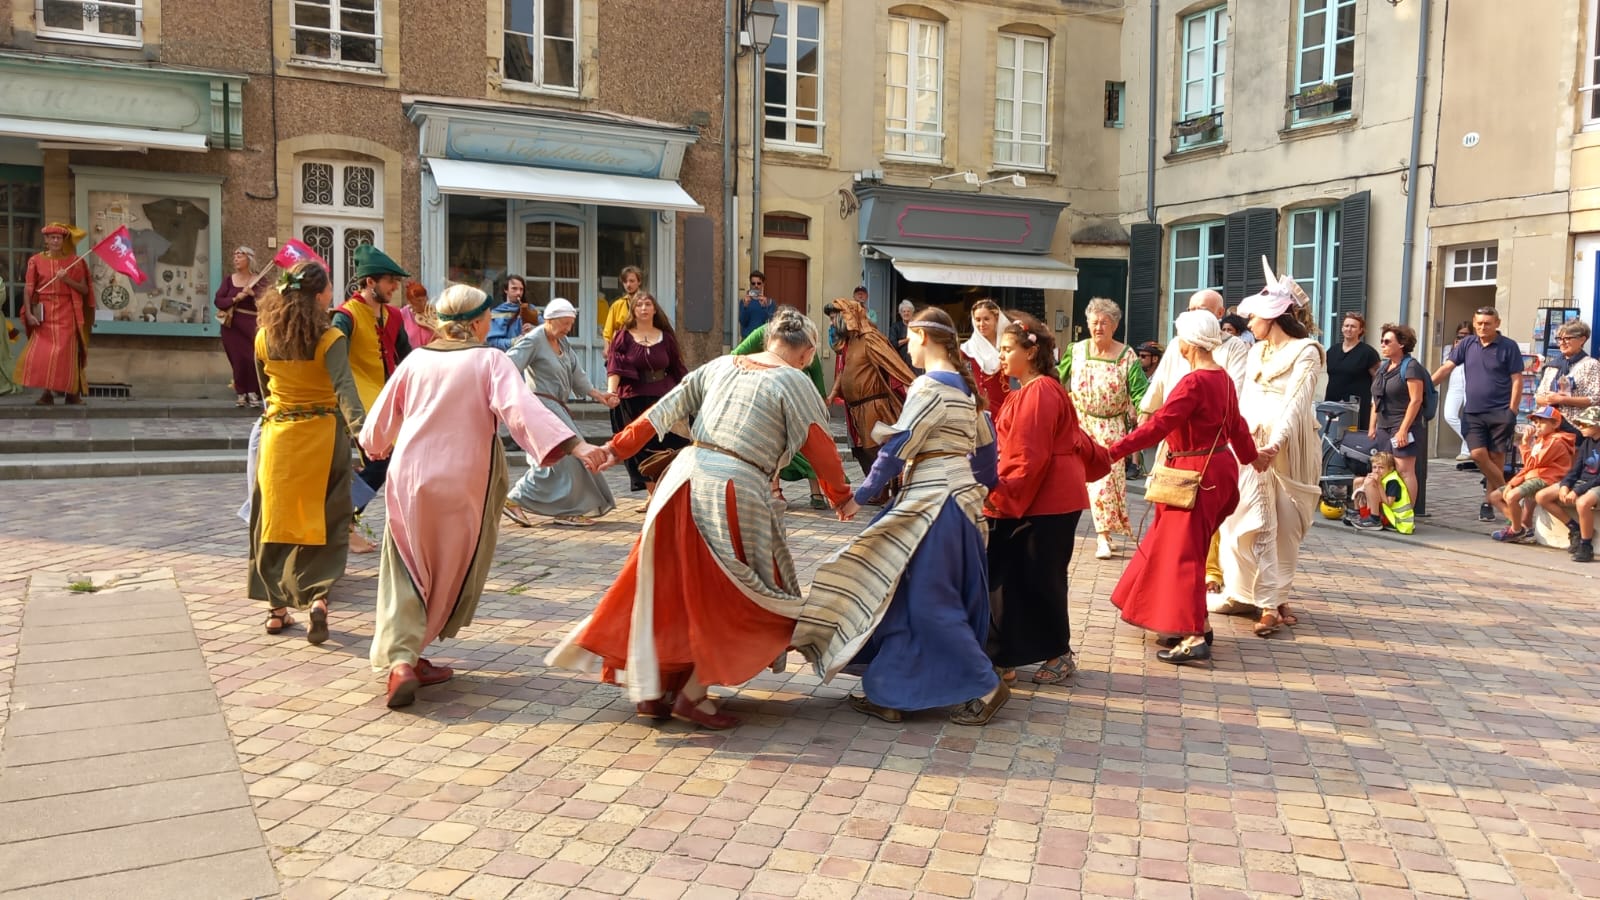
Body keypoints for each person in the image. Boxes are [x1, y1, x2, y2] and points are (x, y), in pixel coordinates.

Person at [546, 307, 852, 729]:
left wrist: (615, 449)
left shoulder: (721, 364)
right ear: (808, 353)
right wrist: (842, 498)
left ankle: (652, 690)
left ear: (768, 340)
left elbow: (660, 412)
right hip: (734, 487)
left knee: (667, 584)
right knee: (729, 591)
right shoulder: (795, 381)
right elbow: (821, 447)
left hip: (680, 480)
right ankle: (692, 693)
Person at [360, 284, 605, 708]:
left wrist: (376, 445)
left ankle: (403, 658)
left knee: (406, 565)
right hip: (464, 477)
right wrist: (576, 447)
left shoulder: (417, 359)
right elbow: (523, 411)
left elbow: (378, 428)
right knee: (450, 565)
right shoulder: (489, 359)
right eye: (488, 317)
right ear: (476, 322)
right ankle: (411, 652)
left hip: (411, 475)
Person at [796, 308, 1004, 726]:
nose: (905, 344)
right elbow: (987, 463)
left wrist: (862, 495)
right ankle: (893, 692)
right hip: (959, 506)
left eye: (909, 336)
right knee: (903, 597)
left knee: (928, 601)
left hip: (932, 506)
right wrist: (969, 488)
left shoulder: (928, 386)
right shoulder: (967, 391)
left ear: (923, 336)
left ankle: (986, 685)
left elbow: (896, 447)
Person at [1103, 311, 1261, 665]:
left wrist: (1113, 451)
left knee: (1185, 556)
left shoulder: (1193, 382)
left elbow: (1159, 424)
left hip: (1193, 474)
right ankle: (1194, 624)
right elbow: (1237, 426)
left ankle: (1192, 634)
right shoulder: (1222, 379)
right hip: (1218, 470)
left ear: (1188, 344)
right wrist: (1252, 458)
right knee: (1186, 549)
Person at [985, 312, 1108, 685]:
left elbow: (1027, 457)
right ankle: (1008, 655)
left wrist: (1000, 499)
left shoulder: (1038, 392)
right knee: (1021, 576)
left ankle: (1055, 652)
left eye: (1007, 349)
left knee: (1036, 577)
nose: (1001, 356)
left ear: (1031, 352)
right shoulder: (1039, 389)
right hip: (1045, 498)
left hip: (1044, 500)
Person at [247, 261, 365, 644]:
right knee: (327, 521)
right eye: (329, 288)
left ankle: (276, 611)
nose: (333, 293)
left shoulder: (263, 336)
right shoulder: (330, 338)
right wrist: (364, 436)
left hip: (279, 436)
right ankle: (317, 599)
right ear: (318, 296)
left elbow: (265, 392)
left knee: (272, 519)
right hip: (323, 436)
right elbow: (346, 390)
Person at [1214, 263, 1324, 637]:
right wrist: (1235, 437)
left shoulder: (1307, 350)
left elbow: (1296, 401)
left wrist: (1276, 441)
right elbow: (1242, 397)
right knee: (1242, 518)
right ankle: (1249, 593)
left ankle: (1273, 600)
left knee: (1283, 524)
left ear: (1274, 315)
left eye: (1255, 316)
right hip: (1251, 442)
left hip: (1290, 446)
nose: (1250, 322)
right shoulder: (1257, 350)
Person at [1141, 289, 1248, 593]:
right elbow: (1161, 382)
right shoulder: (1180, 344)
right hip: (1178, 444)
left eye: (1201, 309)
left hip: (1203, 449)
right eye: (1190, 308)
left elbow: (1232, 409)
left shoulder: (1226, 358)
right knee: (1173, 530)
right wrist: (1147, 410)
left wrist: (1114, 450)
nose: (1194, 313)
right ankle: (1171, 598)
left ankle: (1196, 604)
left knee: (1189, 537)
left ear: (1219, 313)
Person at [503, 298, 620, 527]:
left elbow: (577, 375)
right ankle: (516, 499)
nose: (568, 329)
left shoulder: (563, 343)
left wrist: (599, 396)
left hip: (557, 408)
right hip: (541, 409)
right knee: (562, 460)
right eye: (564, 323)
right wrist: (515, 398)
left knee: (567, 460)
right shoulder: (534, 340)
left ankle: (561, 509)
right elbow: (507, 366)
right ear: (549, 320)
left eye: (570, 324)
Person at [1057, 297, 1148, 560]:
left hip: (1111, 427)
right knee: (1073, 479)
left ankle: (1103, 535)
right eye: (1094, 322)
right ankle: (1083, 530)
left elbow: (1140, 391)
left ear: (1115, 326)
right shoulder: (1075, 350)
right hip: (1080, 423)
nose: (1099, 327)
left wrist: (1145, 414)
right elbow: (1057, 381)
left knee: (1106, 481)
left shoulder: (1127, 355)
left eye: (1104, 323)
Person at [333, 243, 413, 516]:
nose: (395, 287)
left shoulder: (393, 316)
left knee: (396, 463)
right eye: (390, 281)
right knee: (382, 464)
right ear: (370, 282)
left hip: (390, 403)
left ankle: (344, 517)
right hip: (360, 403)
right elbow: (336, 364)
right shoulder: (345, 317)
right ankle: (341, 515)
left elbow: (408, 358)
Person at [1431, 307, 1525, 522]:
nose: (1483, 327)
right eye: (1479, 323)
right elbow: (1447, 368)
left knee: (1496, 458)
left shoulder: (1508, 346)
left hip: (1501, 411)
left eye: (1488, 323)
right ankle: (1506, 493)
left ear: (1497, 323)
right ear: (1474, 322)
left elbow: (1517, 379)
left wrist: (1513, 409)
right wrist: (1426, 386)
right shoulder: (1467, 343)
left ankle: (1488, 502)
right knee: (1478, 455)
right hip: (1473, 412)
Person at [733, 320, 833, 509]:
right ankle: (774, 490)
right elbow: (735, 356)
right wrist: (757, 366)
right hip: (764, 398)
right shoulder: (760, 333)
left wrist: (820, 398)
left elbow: (816, 370)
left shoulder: (804, 338)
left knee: (808, 441)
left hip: (795, 399)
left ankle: (817, 492)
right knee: (773, 443)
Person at [826, 296, 916, 488]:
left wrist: (916, 389)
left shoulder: (870, 338)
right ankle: (879, 489)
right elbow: (844, 372)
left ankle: (890, 487)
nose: (832, 323)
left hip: (873, 405)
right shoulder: (849, 342)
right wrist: (833, 394)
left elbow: (895, 365)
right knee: (860, 450)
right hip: (856, 408)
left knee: (876, 449)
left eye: (835, 318)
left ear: (847, 317)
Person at [607, 291, 689, 493]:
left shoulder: (667, 338)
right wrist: (611, 392)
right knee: (640, 448)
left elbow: (678, 369)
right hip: (633, 398)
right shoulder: (622, 337)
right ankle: (653, 494)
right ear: (633, 310)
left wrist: (691, 393)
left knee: (666, 445)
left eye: (647, 305)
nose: (643, 308)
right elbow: (614, 367)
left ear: (654, 309)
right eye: (639, 305)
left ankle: (661, 492)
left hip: (663, 398)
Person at [16, 223, 92, 406]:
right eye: (52, 237)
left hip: (68, 312)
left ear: (63, 240)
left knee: (68, 354)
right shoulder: (35, 260)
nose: (56, 240)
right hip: (45, 313)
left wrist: (66, 279)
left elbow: (83, 289)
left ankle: (72, 393)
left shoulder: (76, 261)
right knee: (44, 354)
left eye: (59, 237)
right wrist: (28, 313)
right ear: (46, 240)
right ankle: (46, 393)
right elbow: (28, 289)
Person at [1486, 406, 1572, 542]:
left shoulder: (1555, 441)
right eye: (1535, 422)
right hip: (1534, 476)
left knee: (1512, 496)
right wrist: (1513, 482)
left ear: (1555, 424)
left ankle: (1516, 530)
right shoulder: (1542, 440)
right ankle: (1521, 527)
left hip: (1546, 478)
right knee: (1494, 496)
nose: (1537, 425)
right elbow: (1528, 467)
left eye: (1542, 422)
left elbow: (1532, 464)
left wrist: (1524, 443)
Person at [1368, 323, 1427, 505]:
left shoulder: (1411, 367)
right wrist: (1372, 426)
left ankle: (1407, 514)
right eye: (1382, 341)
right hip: (1384, 426)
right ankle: (1387, 511)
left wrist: (1403, 430)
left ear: (1401, 344)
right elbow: (1375, 400)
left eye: (1387, 341)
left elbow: (1416, 400)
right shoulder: (1383, 369)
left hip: (1403, 424)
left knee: (1404, 470)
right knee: (1385, 469)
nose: (1383, 345)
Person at [1535, 405, 1600, 562]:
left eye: (1585, 424)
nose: (1580, 427)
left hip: (1596, 483)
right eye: (1579, 423)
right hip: (1582, 481)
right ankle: (1574, 527)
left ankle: (1586, 545)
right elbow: (1575, 469)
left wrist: (1577, 491)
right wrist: (1565, 485)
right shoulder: (1586, 443)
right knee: (1542, 496)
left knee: (1583, 503)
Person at [214, 246, 264, 408]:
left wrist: (252, 294)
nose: (236, 258)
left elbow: (269, 301)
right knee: (237, 359)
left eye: (240, 255)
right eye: (234, 255)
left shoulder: (259, 280)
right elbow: (218, 300)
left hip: (252, 324)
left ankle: (253, 392)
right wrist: (235, 298)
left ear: (249, 259)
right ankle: (241, 393)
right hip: (232, 326)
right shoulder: (229, 280)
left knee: (252, 358)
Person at [1534, 319, 1599, 432]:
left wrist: (1562, 400)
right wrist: (1547, 400)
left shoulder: (1591, 365)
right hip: (1549, 426)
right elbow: (1538, 397)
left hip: (1576, 427)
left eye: (1567, 338)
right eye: (1559, 339)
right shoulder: (1552, 366)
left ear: (1582, 340)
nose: (1562, 342)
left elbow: (1595, 399)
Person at [1326, 312, 1380, 426]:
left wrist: (1374, 403)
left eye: (1353, 326)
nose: (1349, 329)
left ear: (1360, 330)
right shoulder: (1332, 351)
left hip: (1357, 408)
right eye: (1346, 326)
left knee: (1353, 440)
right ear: (1342, 328)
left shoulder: (1368, 352)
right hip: (1332, 405)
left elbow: (1378, 379)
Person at [961, 299, 1011, 414]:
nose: (981, 324)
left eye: (986, 319)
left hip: (1009, 406)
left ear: (996, 319)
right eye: (978, 320)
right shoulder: (968, 349)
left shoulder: (1010, 345)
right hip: (982, 409)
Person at [1351, 451, 1413, 535]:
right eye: (1374, 467)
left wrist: (1378, 483)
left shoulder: (1393, 481)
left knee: (1369, 483)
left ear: (1390, 469)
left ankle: (1374, 519)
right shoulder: (1384, 477)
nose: (1377, 471)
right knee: (1358, 480)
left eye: (1381, 468)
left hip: (1395, 519)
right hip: (1386, 513)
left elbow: (1389, 503)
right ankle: (1357, 513)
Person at [1441, 321, 1472, 461]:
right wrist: (1455, 349)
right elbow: (1445, 365)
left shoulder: (1474, 346)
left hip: (1471, 383)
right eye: (1461, 335)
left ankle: (1466, 450)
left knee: (1468, 417)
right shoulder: (1450, 347)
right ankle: (1472, 442)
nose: (1463, 337)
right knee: (1449, 415)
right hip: (1455, 384)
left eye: (1466, 334)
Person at [486, 274, 532, 351]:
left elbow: (545, 330)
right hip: (508, 358)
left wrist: (534, 329)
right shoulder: (497, 313)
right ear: (506, 290)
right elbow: (493, 342)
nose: (518, 293)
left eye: (521, 289)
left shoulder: (531, 309)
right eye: (514, 288)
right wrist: (513, 341)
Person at [737, 270, 775, 338]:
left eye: (759, 283)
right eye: (753, 283)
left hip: (762, 340)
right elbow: (743, 322)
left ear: (763, 284)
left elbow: (770, 324)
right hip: (747, 340)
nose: (756, 286)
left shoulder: (770, 302)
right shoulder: (743, 302)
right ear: (750, 284)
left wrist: (764, 307)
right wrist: (745, 307)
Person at [398, 281, 436, 350]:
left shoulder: (434, 312)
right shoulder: (402, 314)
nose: (423, 304)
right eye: (419, 301)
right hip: (411, 356)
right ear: (409, 302)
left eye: (425, 299)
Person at [891, 299, 916, 368]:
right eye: (904, 311)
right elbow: (893, 344)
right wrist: (907, 340)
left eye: (908, 311)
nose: (906, 313)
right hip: (900, 362)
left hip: (915, 362)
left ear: (912, 312)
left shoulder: (917, 326)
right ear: (900, 313)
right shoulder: (895, 327)